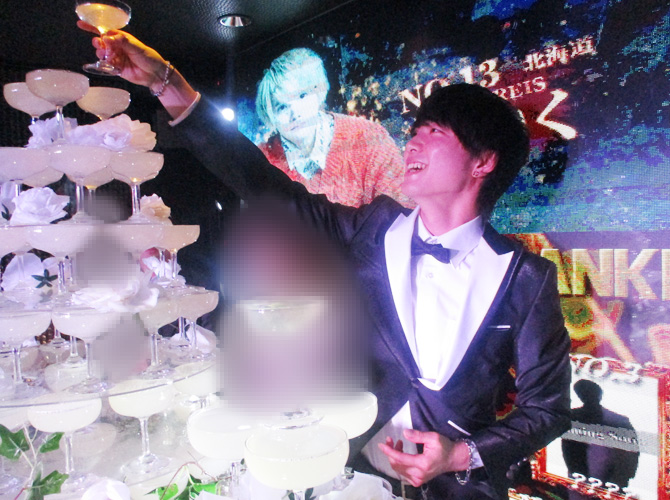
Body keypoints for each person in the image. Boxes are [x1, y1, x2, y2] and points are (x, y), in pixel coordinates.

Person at [83, 25, 572, 499]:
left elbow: (548, 411)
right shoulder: (373, 228)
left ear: (483, 162)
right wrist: (166, 83)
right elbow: (263, 182)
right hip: (350, 475)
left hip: (461, 488)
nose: (413, 142)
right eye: (416, 129)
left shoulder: (526, 277)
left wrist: (460, 455)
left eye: (435, 132)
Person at [254, 47, 413, 208]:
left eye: (302, 95)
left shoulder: (369, 138)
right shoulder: (258, 160)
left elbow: (405, 213)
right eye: (281, 107)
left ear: (318, 92)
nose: (295, 113)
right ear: (270, 116)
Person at [562, 380, 639, 499]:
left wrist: (622, 480)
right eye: (584, 394)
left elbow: (631, 454)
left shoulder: (618, 420)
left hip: (611, 483)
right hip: (580, 482)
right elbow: (568, 451)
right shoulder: (572, 417)